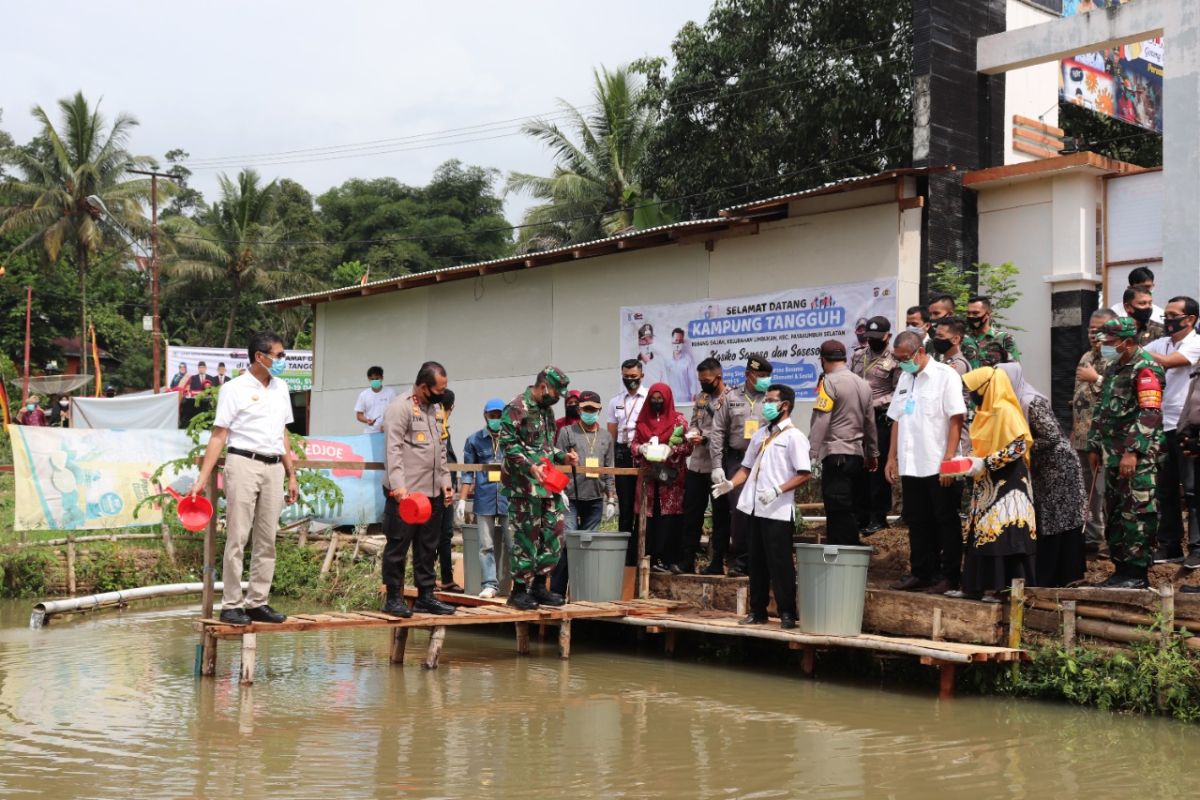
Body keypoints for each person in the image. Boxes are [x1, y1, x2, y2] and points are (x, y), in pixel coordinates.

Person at [190, 331, 299, 626]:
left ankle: (258, 602)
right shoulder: (235, 388)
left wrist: (291, 473)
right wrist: (202, 479)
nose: (281, 360)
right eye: (278, 355)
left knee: (267, 538)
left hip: (274, 466)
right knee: (238, 536)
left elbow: (283, 433)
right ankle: (231, 603)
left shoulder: (282, 387)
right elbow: (219, 434)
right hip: (243, 462)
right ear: (259, 357)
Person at [713, 384, 812, 630]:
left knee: (780, 564)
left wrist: (779, 489)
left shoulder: (794, 437)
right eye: (765, 400)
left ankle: (787, 613)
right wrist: (729, 484)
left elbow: (804, 474)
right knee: (755, 562)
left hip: (777, 510)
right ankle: (758, 611)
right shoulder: (760, 435)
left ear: (785, 405)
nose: (765, 405)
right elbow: (746, 468)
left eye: (770, 400)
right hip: (754, 508)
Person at [885, 331, 967, 594]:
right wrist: (891, 458)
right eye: (897, 359)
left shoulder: (946, 375)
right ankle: (922, 572)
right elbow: (897, 417)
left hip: (938, 462)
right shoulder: (906, 378)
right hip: (912, 463)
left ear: (920, 352)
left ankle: (949, 575)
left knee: (946, 521)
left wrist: (949, 460)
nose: (901, 364)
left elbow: (956, 419)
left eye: (904, 358)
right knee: (917, 521)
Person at [1087, 316, 1166, 589]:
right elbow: (1103, 408)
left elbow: (1150, 413)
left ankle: (1137, 573)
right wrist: (1094, 444)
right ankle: (1120, 569)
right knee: (1116, 512)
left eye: (1110, 342)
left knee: (1137, 513)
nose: (1104, 346)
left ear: (1128, 342)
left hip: (1136, 458)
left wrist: (1132, 452)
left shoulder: (1146, 369)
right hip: (1110, 454)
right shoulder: (1112, 367)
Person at [379, 361, 456, 617]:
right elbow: (393, 450)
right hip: (407, 496)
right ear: (424, 387)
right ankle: (393, 598)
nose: (442, 394)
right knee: (398, 546)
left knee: (428, 547)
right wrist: (399, 488)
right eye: (439, 389)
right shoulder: (399, 408)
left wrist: (446, 483)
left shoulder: (436, 410)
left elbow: (441, 450)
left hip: (432, 493)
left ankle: (426, 596)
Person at [952, 367, 1037, 601]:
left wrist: (987, 462)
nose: (970, 395)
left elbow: (1019, 446)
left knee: (1004, 529)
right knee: (978, 532)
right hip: (985, 480)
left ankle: (1005, 590)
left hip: (1009, 480)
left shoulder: (1006, 411)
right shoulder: (983, 412)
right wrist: (969, 461)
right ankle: (975, 585)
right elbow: (979, 445)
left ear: (986, 388)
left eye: (973, 389)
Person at [499, 366, 580, 610]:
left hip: (547, 485)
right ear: (544, 386)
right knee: (526, 537)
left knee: (553, 534)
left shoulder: (547, 411)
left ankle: (539, 586)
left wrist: (563, 456)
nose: (559, 397)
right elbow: (508, 445)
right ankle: (519, 591)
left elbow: (544, 447)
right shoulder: (516, 407)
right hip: (524, 487)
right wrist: (529, 465)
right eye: (557, 392)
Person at [999, 363, 1086, 587]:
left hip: (1059, 468)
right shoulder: (1012, 401)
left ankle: (1066, 576)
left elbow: (1053, 437)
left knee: (1061, 520)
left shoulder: (1031, 401)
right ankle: (1048, 576)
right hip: (1041, 468)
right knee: (1047, 520)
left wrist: (1020, 447)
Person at [1144, 296, 1200, 566]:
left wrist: (1140, 352)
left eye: (1172, 315)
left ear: (1190, 319)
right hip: (1162, 424)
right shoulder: (1161, 342)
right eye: (1165, 315)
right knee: (1165, 489)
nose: (1167, 320)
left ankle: (1197, 548)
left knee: (1192, 490)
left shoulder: (1196, 343)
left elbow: (1167, 362)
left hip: (1188, 426)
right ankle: (1170, 545)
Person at [708, 354, 775, 577]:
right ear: (748, 375)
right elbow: (717, 431)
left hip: (765, 460)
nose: (765, 380)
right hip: (737, 460)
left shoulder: (772, 397)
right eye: (761, 376)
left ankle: (760, 558)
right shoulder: (730, 397)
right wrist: (717, 464)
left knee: (763, 508)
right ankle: (741, 560)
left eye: (768, 376)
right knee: (739, 510)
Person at [808, 339, 877, 546]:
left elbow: (821, 420)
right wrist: (873, 453)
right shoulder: (863, 384)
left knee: (837, 509)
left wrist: (809, 454)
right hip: (857, 456)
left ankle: (843, 554)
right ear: (845, 359)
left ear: (822, 360)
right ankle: (851, 550)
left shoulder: (829, 382)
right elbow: (870, 422)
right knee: (851, 507)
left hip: (836, 454)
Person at [553, 390, 616, 594]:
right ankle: (557, 591)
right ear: (579, 410)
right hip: (570, 497)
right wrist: (565, 458)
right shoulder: (567, 432)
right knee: (568, 544)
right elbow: (555, 459)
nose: (589, 412)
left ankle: (582, 590)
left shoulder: (606, 436)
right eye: (585, 409)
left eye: (593, 409)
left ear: (599, 410)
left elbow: (610, 469)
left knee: (587, 547)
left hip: (595, 498)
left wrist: (611, 498)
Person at [632, 383, 692, 573]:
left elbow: (688, 447)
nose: (657, 402)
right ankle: (649, 558)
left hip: (671, 481)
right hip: (649, 480)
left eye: (660, 399)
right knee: (649, 518)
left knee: (670, 519)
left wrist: (671, 450)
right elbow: (633, 444)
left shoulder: (678, 421)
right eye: (653, 398)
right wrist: (641, 449)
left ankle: (670, 560)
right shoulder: (642, 421)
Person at [850, 316, 900, 534]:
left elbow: (898, 392)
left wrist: (874, 403)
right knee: (859, 467)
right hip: (858, 419)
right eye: (869, 337)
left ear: (887, 336)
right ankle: (860, 515)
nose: (872, 341)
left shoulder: (895, 359)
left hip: (880, 419)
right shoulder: (858, 355)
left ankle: (878, 517)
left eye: (877, 338)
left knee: (877, 469)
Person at [457, 398, 511, 599]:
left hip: (509, 497)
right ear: (485, 416)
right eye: (492, 415)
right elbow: (468, 473)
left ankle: (519, 585)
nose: (496, 419)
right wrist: (462, 500)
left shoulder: (512, 439)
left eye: (499, 415)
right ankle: (490, 584)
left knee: (514, 543)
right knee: (485, 545)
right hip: (484, 497)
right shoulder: (474, 440)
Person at [1074, 308, 1117, 555]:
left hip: (1105, 437)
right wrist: (1075, 429)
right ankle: (1092, 537)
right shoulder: (1085, 356)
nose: (1093, 334)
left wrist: (1096, 378)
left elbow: (1117, 395)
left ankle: (1113, 539)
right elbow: (1079, 398)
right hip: (1082, 435)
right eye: (1091, 328)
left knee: (1106, 489)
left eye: (1099, 330)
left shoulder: (1116, 360)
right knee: (1087, 489)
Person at [684, 359, 731, 575]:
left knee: (720, 515)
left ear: (718, 378)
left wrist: (705, 438)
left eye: (706, 380)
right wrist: (693, 433)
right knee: (692, 512)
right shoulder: (701, 398)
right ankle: (687, 560)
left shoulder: (730, 398)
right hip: (697, 463)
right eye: (700, 380)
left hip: (718, 465)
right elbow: (695, 421)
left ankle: (717, 561)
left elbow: (728, 432)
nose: (703, 384)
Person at [607, 359, 648, 545]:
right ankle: (623, 553)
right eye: (626, 377)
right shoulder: (615, 401)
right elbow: (612, 431)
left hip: (643, 452)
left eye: (634, 376)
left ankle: (640, 549)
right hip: (623, 451)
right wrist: (612, 456)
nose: (630, 380)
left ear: (642, 376)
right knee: (625, 506)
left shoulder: (648, 398)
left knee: (642, 504)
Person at [434, 389, 462, 592]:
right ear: (450, 407)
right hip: (436, 490)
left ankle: (446, 578)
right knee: (433, 536)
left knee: (445, 535)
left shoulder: (444, 428)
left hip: (447, 491)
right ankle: (428, 579)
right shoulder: (437, 427)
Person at [965, 296, 1021, 367]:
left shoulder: (1004, 338)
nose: (971, 316)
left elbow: (1015, 369)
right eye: (968, 313)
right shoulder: (963, 338)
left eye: (975, 313)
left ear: (988, 314)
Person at [354, 365, 396, 434]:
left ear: (382, 378)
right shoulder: (364, 395)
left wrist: (387, 425)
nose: (375, 381)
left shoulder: (391, 392)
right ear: (368, 379)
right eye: (372, 379)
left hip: (388, 431)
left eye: (377, 378)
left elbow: (396, 412)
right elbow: (359, 415)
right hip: (369, 433)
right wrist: (367, 420)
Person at [665, 327, 700, 401]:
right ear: (672, 340)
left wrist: (693, 395)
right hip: (670, 398)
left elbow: (692, 379)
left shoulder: (688, 359)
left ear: (683, 341)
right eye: (676, 340)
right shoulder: (666, 359)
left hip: (685, 398)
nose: (678, 343)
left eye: (680, 341)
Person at [635, 323, 667, 387]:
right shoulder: (634, 363)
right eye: (644, 339)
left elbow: (665, 384)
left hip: (655, 395)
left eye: (650, 338)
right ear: (639, 341)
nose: (648, 342)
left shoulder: (659, 360)